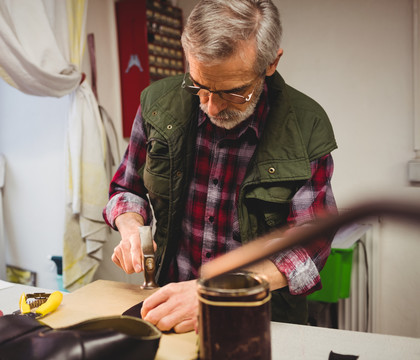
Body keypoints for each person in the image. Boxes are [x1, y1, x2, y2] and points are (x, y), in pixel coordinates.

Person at [103, 0, 337, 333]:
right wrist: (130, 228)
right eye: (200, 86)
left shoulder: (305, 125)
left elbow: (311, 245)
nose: (211, 106)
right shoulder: (158, 105)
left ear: (271, 63)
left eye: (234, 91)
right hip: (172, 311)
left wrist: (216, 294)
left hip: (262, 319)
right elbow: (127, 189)